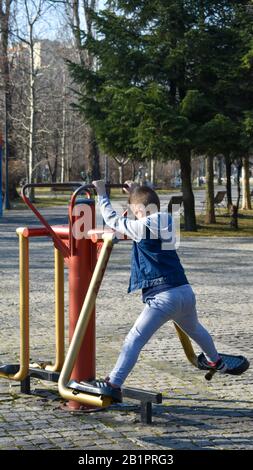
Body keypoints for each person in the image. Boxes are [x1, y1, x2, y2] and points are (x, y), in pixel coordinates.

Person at [92, 180, 227, 392]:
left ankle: (113, 383)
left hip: (163, 297)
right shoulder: (166, 220)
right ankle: (215, 360)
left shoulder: (141, 226)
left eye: (133, 210)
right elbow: (141, 210)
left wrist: (102, 193)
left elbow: (112, 220)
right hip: (184, 290)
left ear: (137, 210)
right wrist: (136, 192)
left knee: (134, 340)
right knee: (195, 329)